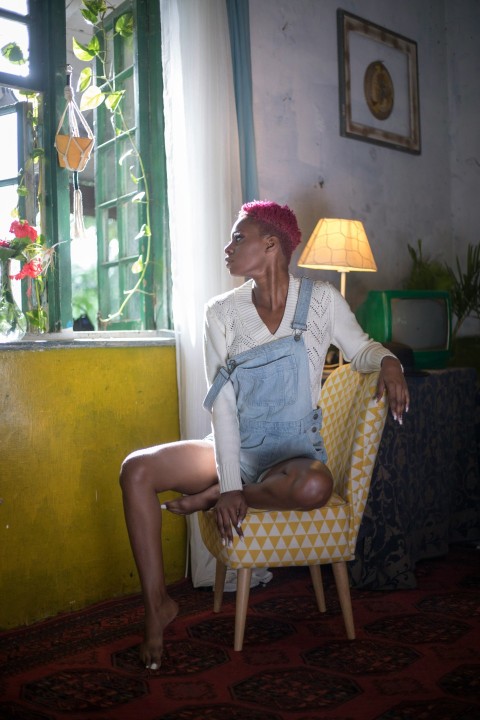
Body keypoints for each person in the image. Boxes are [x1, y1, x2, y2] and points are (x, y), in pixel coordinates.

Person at [120, 200, 409, 670]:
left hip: (293, 455)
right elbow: (223, 404)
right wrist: (230, 480)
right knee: (135, 469)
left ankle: (216, 496)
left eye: (239, 237)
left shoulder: (321, 302)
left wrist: (390, 362)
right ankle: (157, 607)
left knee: (317, 485)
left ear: (271, 244)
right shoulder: (221, 313)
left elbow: (362, 351)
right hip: (235, 448)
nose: (228, 248)